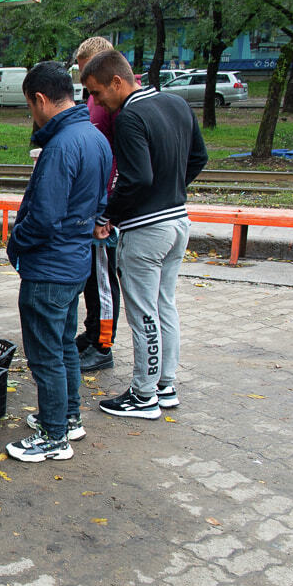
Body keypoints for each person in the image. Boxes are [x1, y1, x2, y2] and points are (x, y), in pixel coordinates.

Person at [81, 50, 207, 419]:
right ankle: (166, 385)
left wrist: (108, 215)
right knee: (165, 305)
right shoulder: (175, 103)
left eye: (98, 93)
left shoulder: (131, 115)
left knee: (142, 314)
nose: (98, 102)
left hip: (147, 230)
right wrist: (171, 191)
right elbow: (198, 158)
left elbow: (137, 178)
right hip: (178, 221)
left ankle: (143, 395)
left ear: (117, 81)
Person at [5, 62, 112, 462]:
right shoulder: (95, 138)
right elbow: (100, 202)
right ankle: (67, 418)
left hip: (48, 266)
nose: (32, 116)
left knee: (45, 352)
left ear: (40, 99)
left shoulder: (61, 145)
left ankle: (53, 437)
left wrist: (17, 244)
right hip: (74, 261)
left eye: (30, 107)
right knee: (64, 343)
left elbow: (44, 216)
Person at [73, 36, 122, 372]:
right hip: (91, 204)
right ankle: (92, 334)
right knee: (92, 279)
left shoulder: (115, 105)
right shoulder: (97, 101)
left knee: (103, 280)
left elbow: (119, 160)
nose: (88, 88)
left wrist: (107, 211)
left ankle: (103, 345)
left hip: (103, 209)